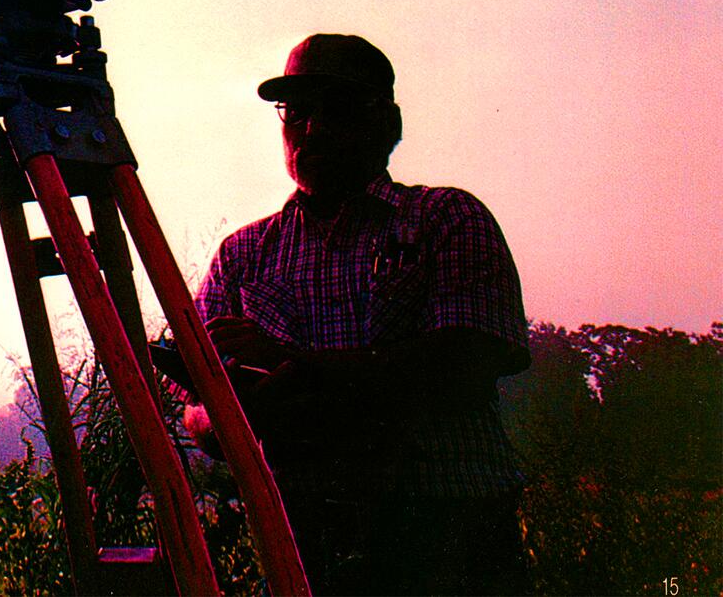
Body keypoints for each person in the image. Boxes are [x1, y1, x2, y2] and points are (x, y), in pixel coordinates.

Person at [183, 33, 531, 596]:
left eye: (337, 108)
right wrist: (223, 415)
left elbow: (466, 360)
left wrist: (295, 370)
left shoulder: (445, 218)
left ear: (387, 125)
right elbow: (194, 409)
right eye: (297, 112)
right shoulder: (241, 255)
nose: (312, 129)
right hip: (300, 541)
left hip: (449, 537)